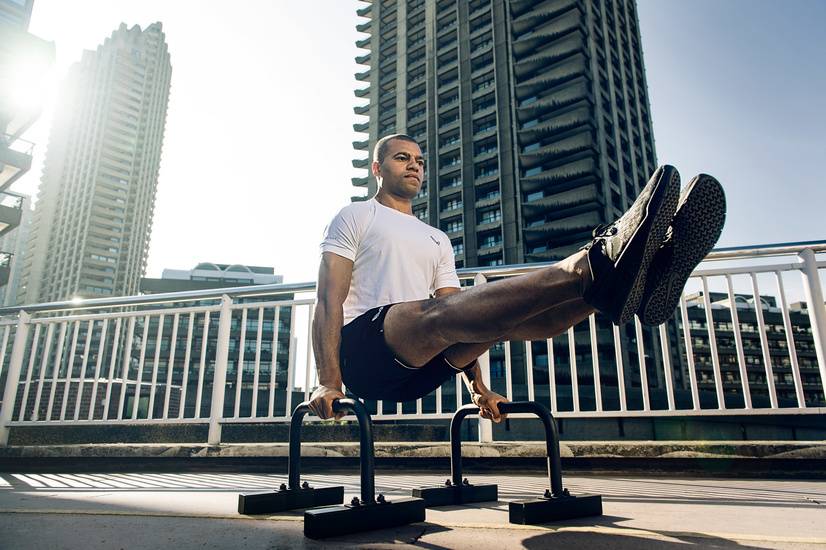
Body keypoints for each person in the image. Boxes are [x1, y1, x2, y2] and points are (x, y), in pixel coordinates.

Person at [308, 134, 725, 422]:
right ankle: (594, 263)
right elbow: (328, 300)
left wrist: (479, 388)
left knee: (497, 320)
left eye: (419, 161)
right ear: (377, 168)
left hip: (422, 369)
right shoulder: (356, 215)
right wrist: (329, 380)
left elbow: (462, 315)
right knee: (436, 314)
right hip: (363, 353)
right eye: (403, 158)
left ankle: (620, 286)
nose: (414, 166)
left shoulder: (436, 239)